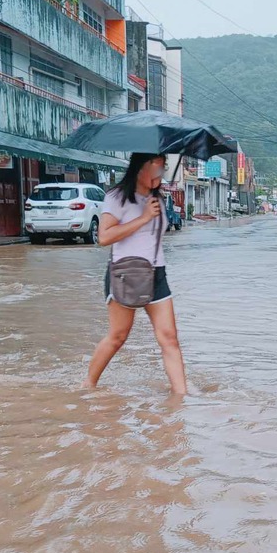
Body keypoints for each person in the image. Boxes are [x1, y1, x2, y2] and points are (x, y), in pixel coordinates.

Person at [84, 153, 187, 395]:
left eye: (163, 167)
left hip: (156, 273)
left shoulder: (158, 200)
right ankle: (87, 385)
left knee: (169, 338)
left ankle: (181, 396)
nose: (160, 173)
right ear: (140, 167)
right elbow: (105, 237)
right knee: (118, 336)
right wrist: (143, 218)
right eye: (157, 167)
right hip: (125, 272)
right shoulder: (117, 197)